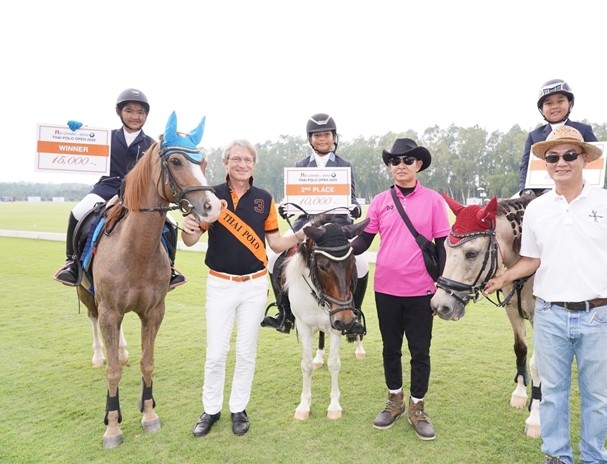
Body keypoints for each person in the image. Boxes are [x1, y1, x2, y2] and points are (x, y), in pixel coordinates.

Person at [484, 126, 607, 464]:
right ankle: (556, 456)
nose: (561, 162)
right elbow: (531, 259)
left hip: (600, 316)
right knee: (554, 395)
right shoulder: (538, 210)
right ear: (545, 164)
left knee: (598, 398)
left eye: (570, 155)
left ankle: (594, 457)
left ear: (584, 158)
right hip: (550, 315)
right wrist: (504, 277)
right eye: (553, 157)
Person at [183, 140, 306, 438]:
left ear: (254, 164)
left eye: (247, 159)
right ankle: (210, 409)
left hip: (253, 286)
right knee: (215, 353)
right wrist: (189, 230)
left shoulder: (264, 198)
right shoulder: (210, 194)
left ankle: (239, 407)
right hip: (220, 284)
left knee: (246, 352)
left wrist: (304, 233)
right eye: (235, 159)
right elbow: (190, 241)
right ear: (225, 162)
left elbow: (275, 243)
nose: (242, 164)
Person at [350, 138, 449, 441]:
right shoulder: (380, 201)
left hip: (422, 290)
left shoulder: (433, 200)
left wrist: (441, 287)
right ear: (390, 166)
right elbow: (364, 241)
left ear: (418, 164)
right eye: (395, 161)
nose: (401, 166)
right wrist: (335, 246)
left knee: (420, 351)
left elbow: (442, 246)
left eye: (407, 160)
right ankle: (395, 401)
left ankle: (417, 407)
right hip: (386, 290)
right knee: (390, 349)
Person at [52, 88, 185, 289]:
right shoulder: (105, 137)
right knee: (77, 212)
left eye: (140, 112)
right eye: (129, 111)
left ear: (146, 116)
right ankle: (72, 262)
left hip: (139, 194)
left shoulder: (152, 145)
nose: (135, 116)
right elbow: (84, 143)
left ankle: (171, 268)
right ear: (120, 113)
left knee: (172, 222)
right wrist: (77, 132)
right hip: (107, 188)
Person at [262, 113, 369, 334]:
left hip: (336, 227)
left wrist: (355, 208)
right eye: (317, 135)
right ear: (310, 138)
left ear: (334, 137)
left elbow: (352, 198)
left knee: (361, 264)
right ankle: (284, 313)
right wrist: (286, 207)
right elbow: (293, 198)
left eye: (326, 135)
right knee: (274, 260)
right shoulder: (299, 165)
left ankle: (354, 313)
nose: (322, 139)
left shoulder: (345, 165)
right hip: (307, 226)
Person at [519, 79, 597, 196]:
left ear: (570, 104)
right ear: (541, 109)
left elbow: (596, 162)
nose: (555, 106)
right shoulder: (534, 136)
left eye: (560, 101)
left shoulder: (584, 130)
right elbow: (525, 166)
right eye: (549, 103)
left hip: (578, 191)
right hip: (541, 194)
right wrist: (524, 189)